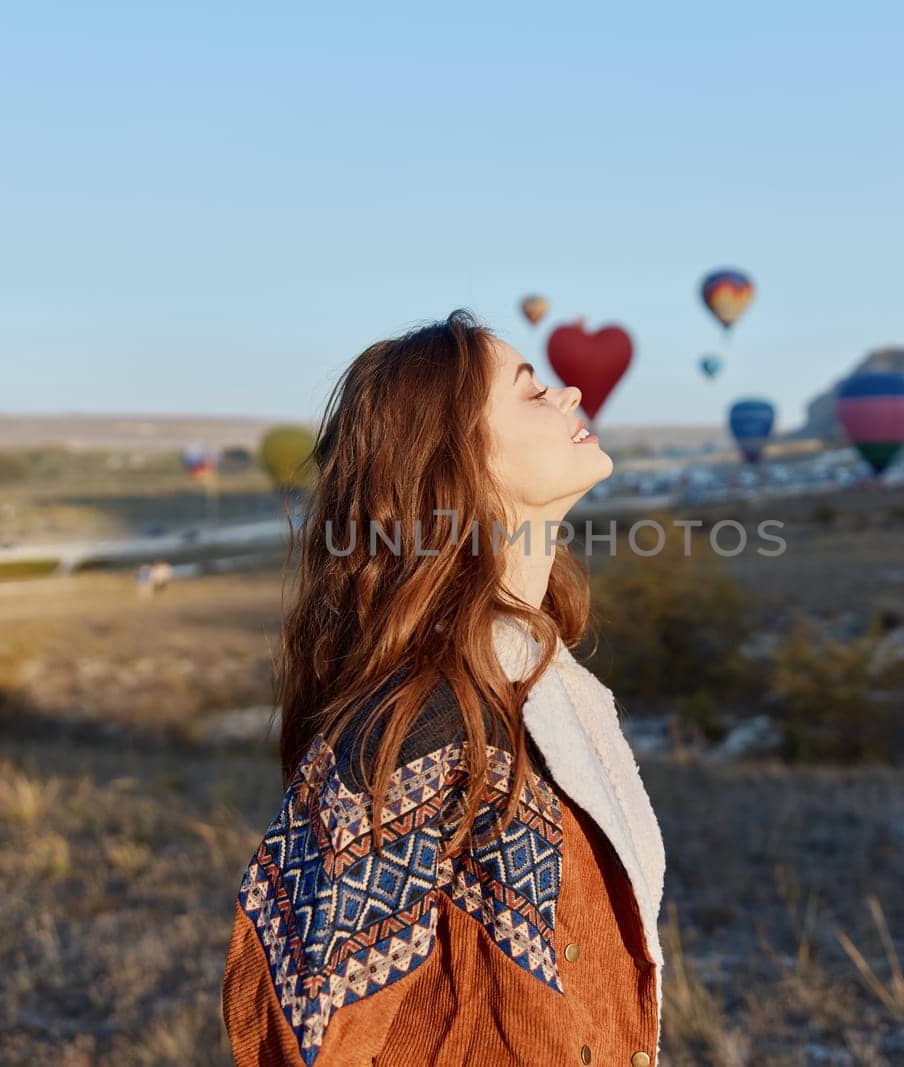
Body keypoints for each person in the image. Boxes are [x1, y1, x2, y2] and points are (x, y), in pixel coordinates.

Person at [222, 310, 667, 1066]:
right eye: (531, 392)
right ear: (459, 459)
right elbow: (306, 1023)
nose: (569, 394)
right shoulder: (417, 715)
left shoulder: (553, 690)